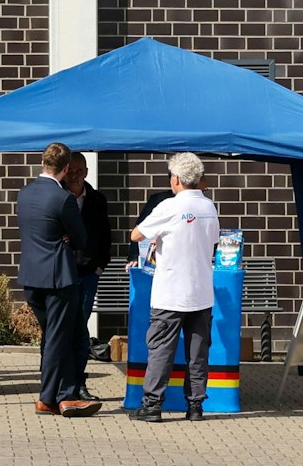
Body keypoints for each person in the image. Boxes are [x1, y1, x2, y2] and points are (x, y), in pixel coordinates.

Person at [127, 152, 221, 422]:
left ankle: (152, 405)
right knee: (198, 352)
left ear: (176, 179)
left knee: (161, 350)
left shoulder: (169, 206)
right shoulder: (208, 207)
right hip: (201, 291)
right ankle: (195, 406)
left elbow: (136, 234)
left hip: (170, 291)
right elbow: (212, 240)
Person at [16, 142, 99, 417]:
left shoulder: (24, 193)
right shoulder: (63, 198)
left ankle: (61, 395)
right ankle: (52, 397)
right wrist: (66, 236)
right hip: (58, 278)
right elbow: (82, 239)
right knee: (57, 338)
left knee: (54, 336)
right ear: (65, 168)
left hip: (30, 276)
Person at [61, 151, 112, 397]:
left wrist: (99, 266)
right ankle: (56, 383)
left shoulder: (96, 199)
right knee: (59, 329)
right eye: (70, 171)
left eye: (79, 171)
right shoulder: (56, 196)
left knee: (80, 330)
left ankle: (78, 383)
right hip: (59, 274)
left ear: (86, 173)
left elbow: (106, 236)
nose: (74, 176)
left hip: (87, 274)